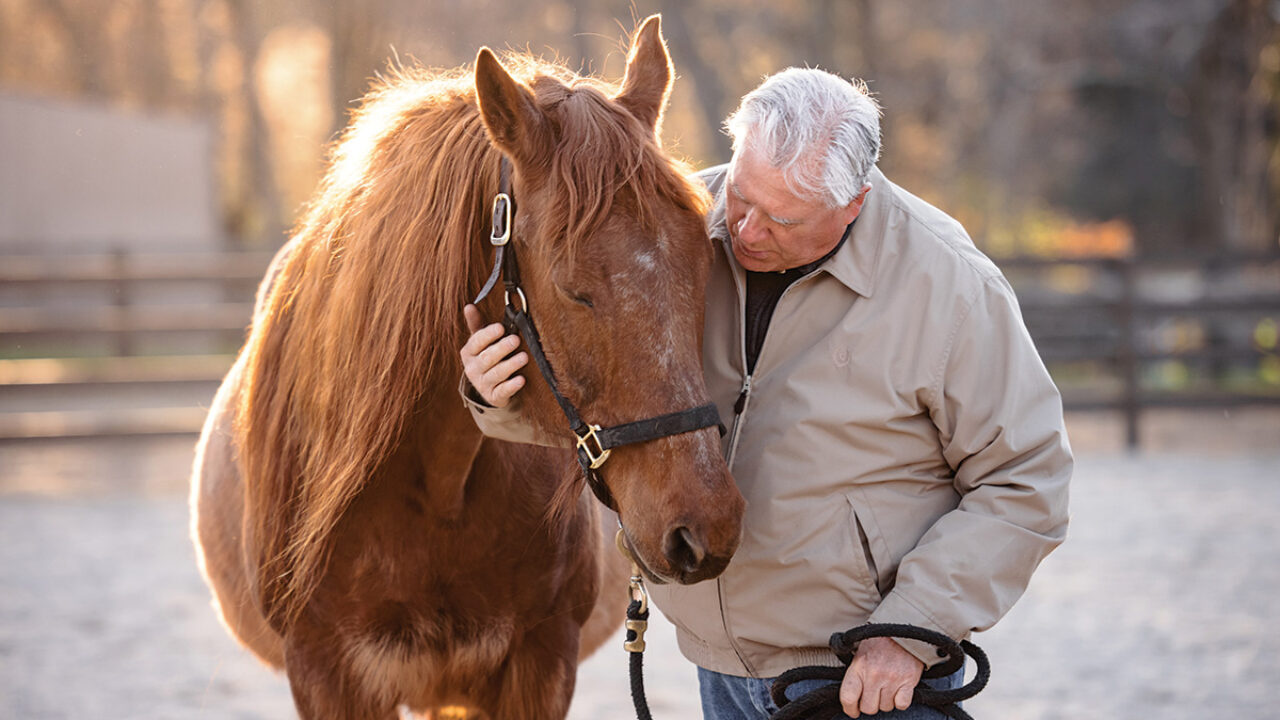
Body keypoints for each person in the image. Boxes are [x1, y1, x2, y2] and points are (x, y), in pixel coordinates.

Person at [459, 68, 1071, 719]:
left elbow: (1026, 478)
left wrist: (910, 631)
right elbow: (617, 405)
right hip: (719, 661)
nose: (745, 230)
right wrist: (496, 395)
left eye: (781, 218)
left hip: (865, 676)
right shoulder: (677, 229)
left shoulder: (948, 286)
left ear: (854, 202)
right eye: (742, 196)